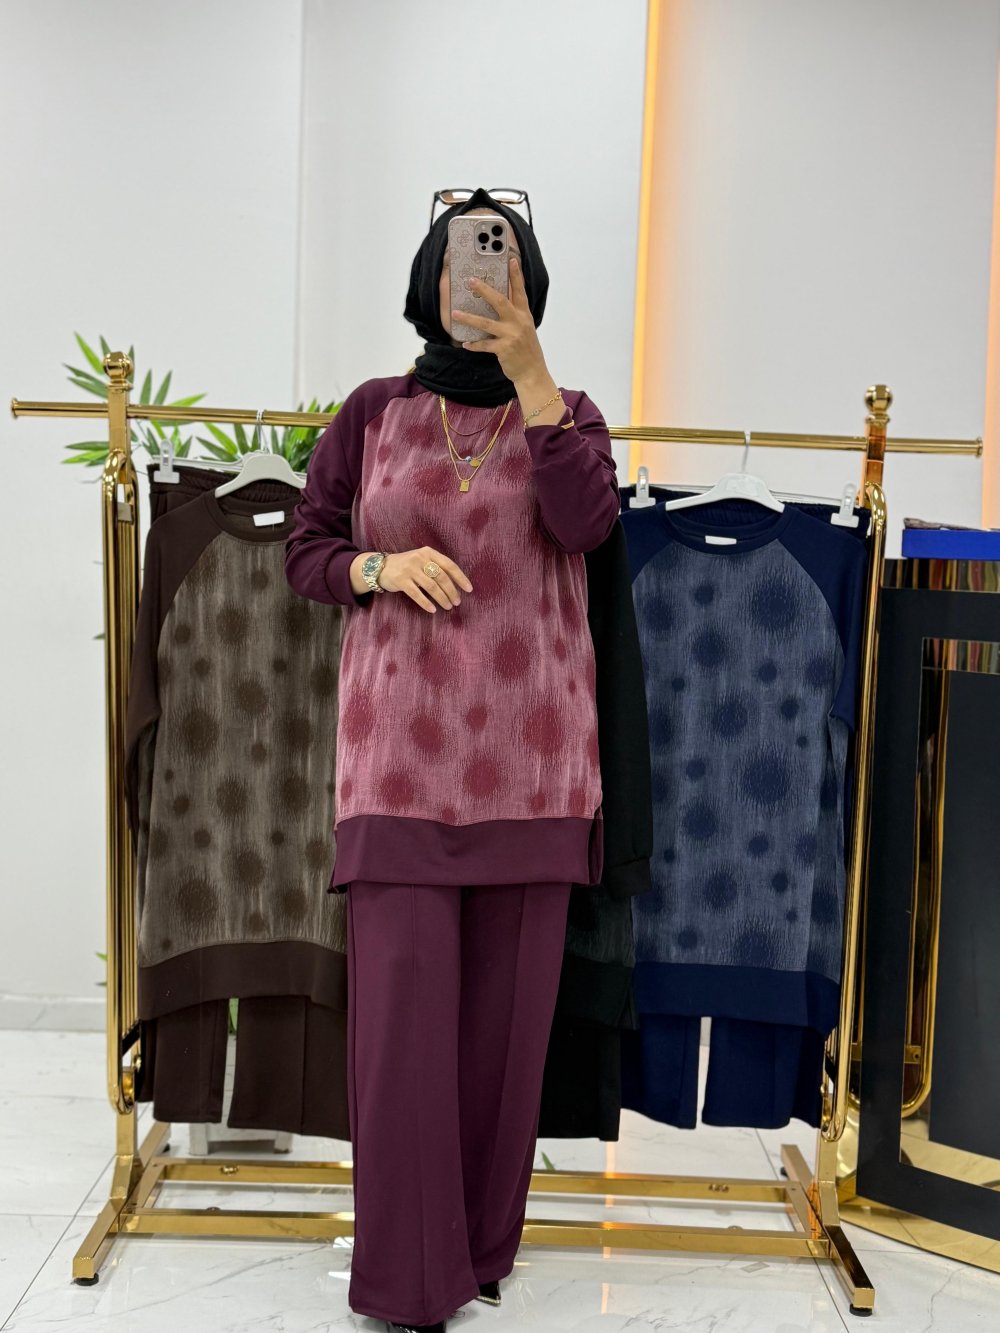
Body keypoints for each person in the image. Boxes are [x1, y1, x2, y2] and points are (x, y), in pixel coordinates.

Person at [284, 186, 619, 1333]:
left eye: (503, 261)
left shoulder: (569, 414)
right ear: (430, 278)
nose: (480, 277)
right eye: (465, 258)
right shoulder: (371, 413)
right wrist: (376, 569)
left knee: (501, 1045)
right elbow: (307, 549)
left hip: (534, 767)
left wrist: (532, 377)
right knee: (399, 1042)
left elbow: (586, 526)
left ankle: (477, 1255)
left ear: (529, 285)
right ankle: (403, 1279)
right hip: (396, 766)